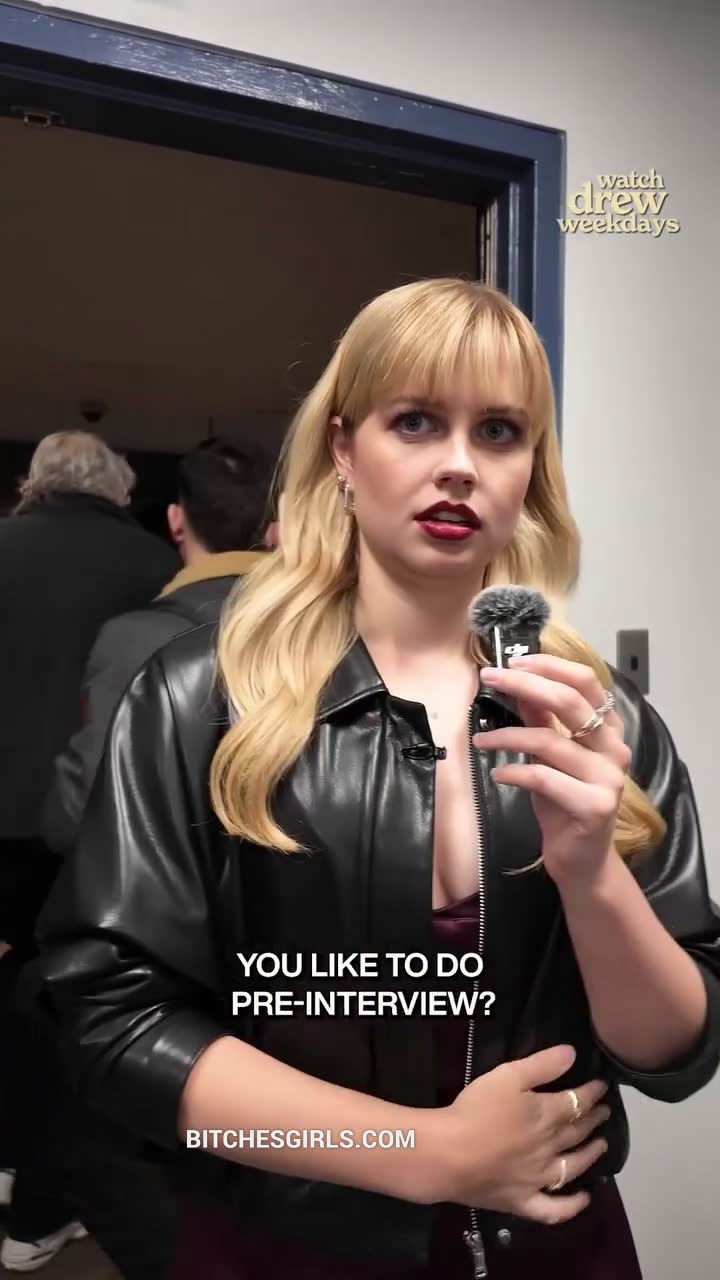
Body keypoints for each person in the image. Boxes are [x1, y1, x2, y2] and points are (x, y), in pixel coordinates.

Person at [36, 280, 720, 1280]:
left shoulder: (598, 718)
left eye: (498, 430)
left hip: (557, 1246)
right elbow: (113, 1024)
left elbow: (674, 1053)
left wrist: (591, 872)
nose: (459, 464)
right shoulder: (197, 700)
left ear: (530, 469)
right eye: (416, 421)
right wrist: (424, 1152)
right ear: (344, 451)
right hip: (282, 1252)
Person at [0, 430, 179, 1272]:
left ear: (33, 481)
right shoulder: (156, 567)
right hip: (94, 823)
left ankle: (14, 1156)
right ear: (120, 487)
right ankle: (53, 1182)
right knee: (75, 1009)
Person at [42, 437, 272, 856]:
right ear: (273, 529)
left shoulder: (134, 639)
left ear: (175, 520)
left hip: (175, 887)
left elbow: (79, 810)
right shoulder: (328, 630)